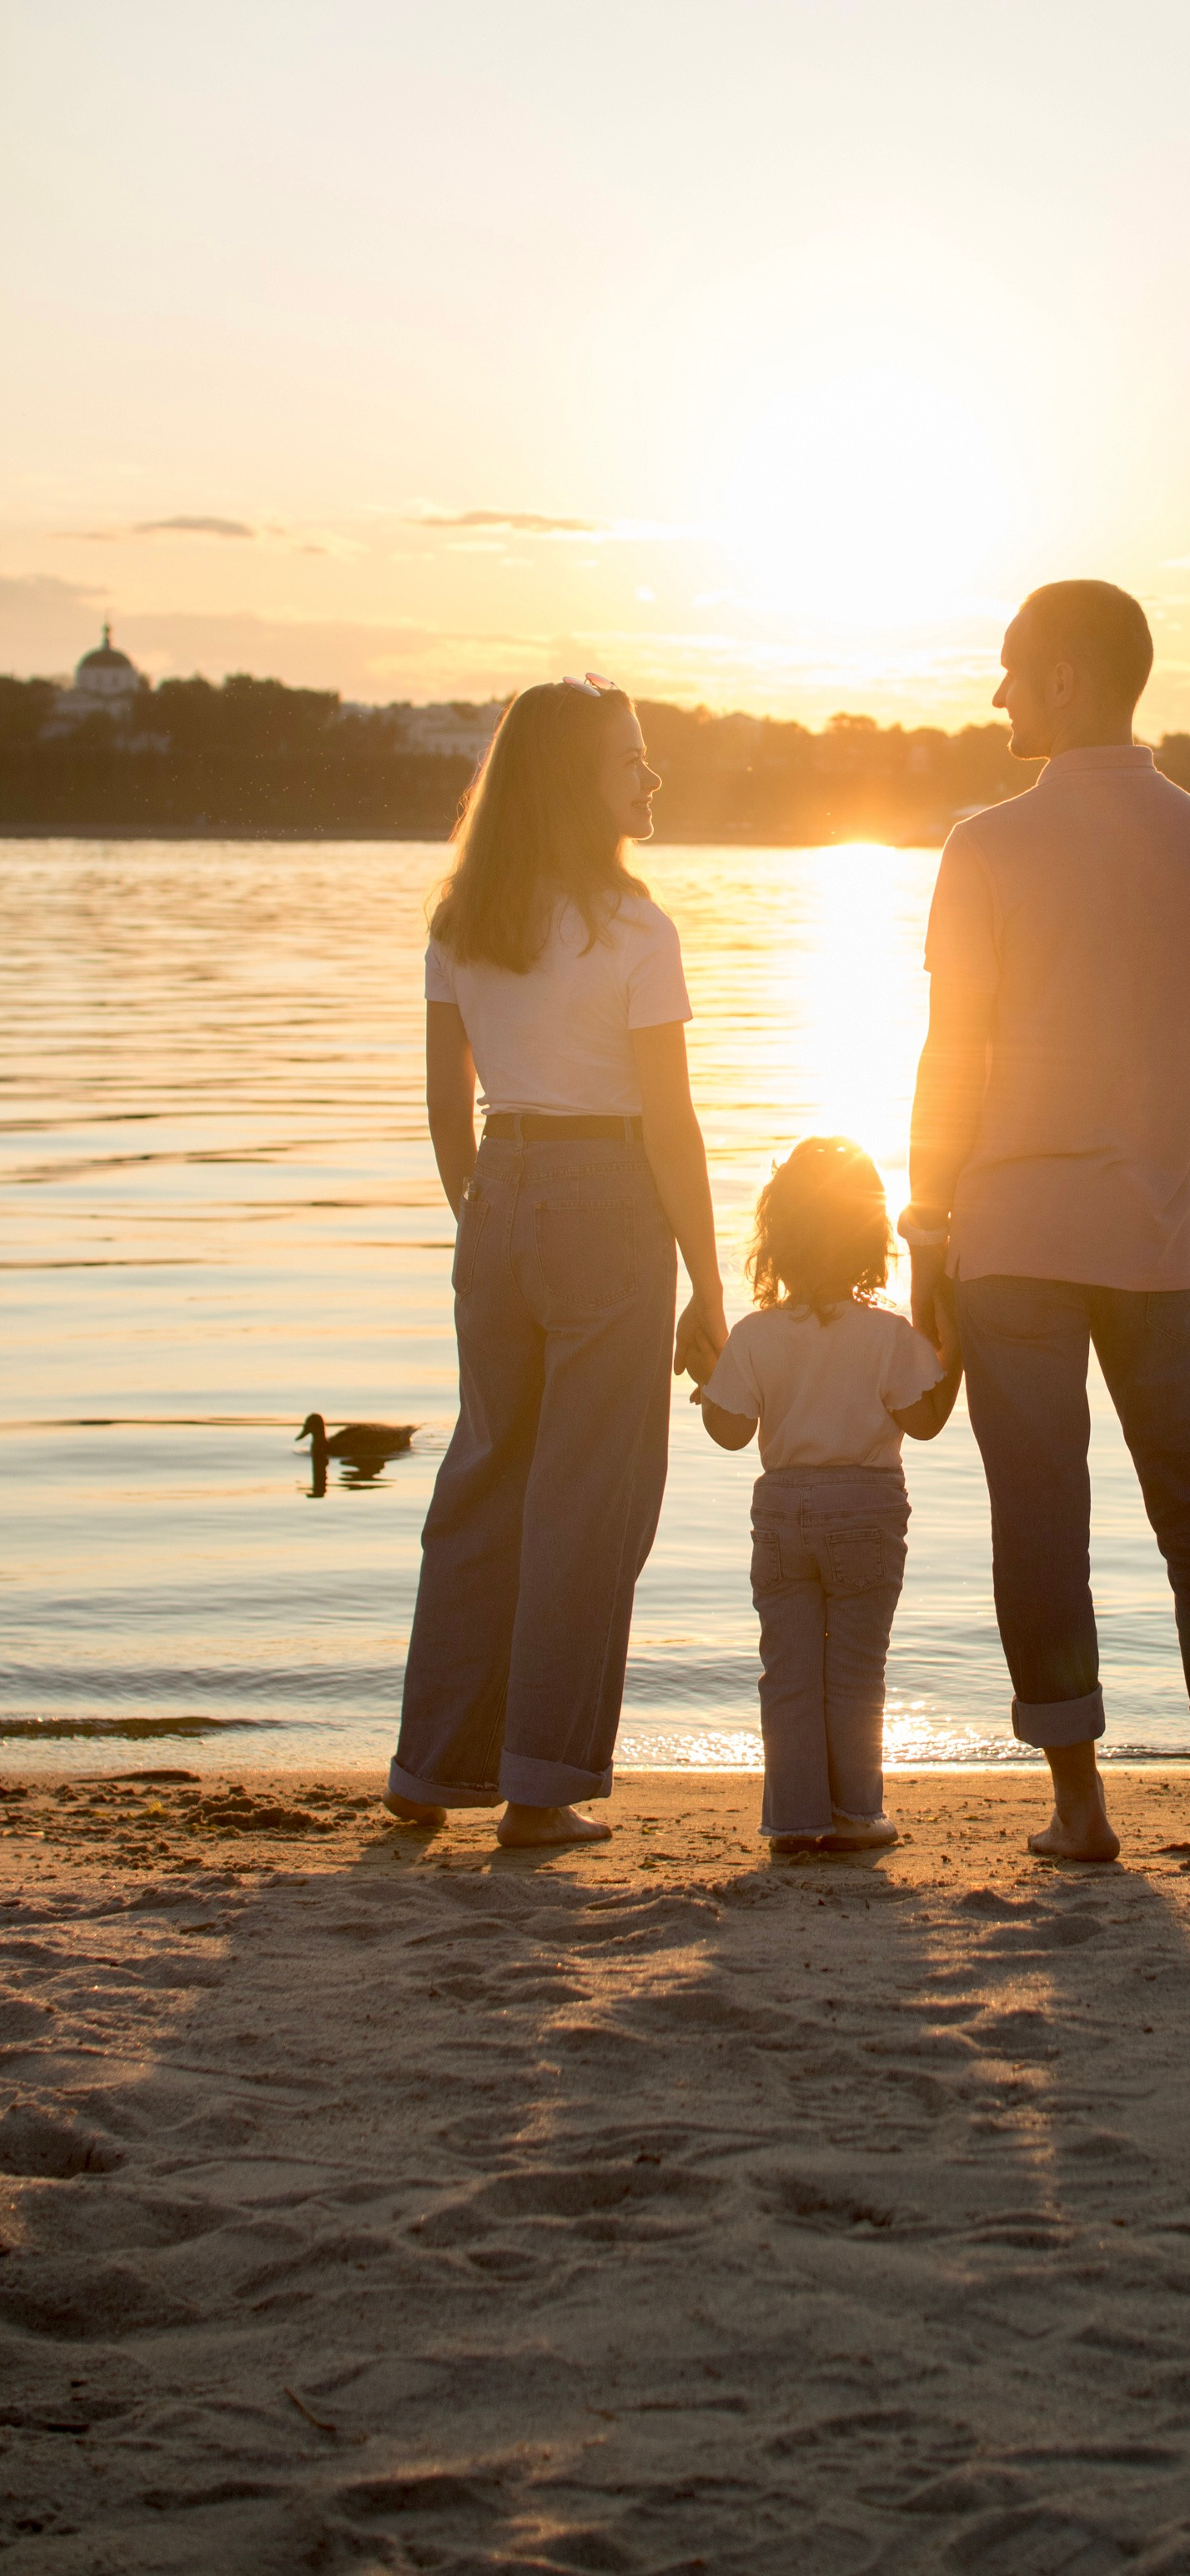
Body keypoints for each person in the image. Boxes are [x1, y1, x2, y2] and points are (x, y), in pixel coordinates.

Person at [902, 580, 1190, 1862]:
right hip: (1158, 1239)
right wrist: (1186, 1198)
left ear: (1065, 677)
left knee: (1038, 1516)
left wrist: (924, 1227)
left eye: (1011, 669)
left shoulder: (985, 845)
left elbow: (951, 1052)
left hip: (1008, 1239)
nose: (997, 692)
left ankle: (1079, 1806)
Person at [385, 675, 726, 1849]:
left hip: (501, 1187)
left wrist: (481, 1213)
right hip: (606, 1195)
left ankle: (430, 1766)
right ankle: (538, 1786)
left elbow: (446, 1103)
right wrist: (711, 1281)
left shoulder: (462, 919)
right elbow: (670, 1123)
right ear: (573, 780)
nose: (649, 776)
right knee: (590, 1496)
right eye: (630, 757)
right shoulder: (633, 928)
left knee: (484, 1479)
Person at [697, 1137, 960, 1854]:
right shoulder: (889, 1335)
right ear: (870, 1240)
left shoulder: (755, 1336)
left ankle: (794, 1817)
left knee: (787, 1670)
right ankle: (856, 1813)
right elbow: (927, 1420)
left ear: (776, 1240)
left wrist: (705, 1376)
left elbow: (728, 1429)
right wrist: (953, 1348)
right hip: (867, 1514)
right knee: (855, 1671)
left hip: (782, 1514)